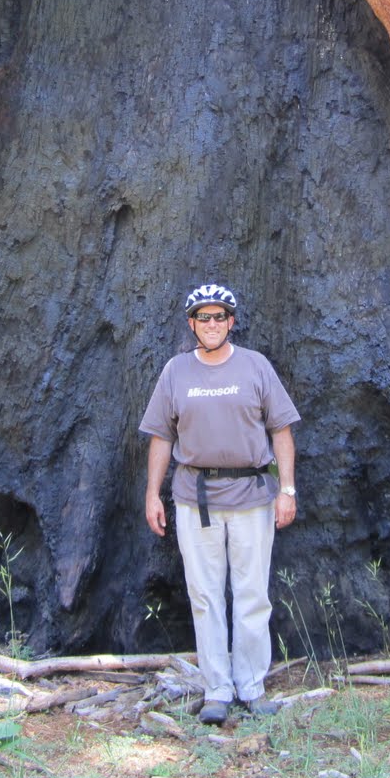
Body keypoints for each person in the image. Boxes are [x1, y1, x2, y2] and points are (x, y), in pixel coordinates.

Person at [140, 283, 299, 723]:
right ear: (192, 324)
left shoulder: (256, 367)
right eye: (203, 318)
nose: (212, 325)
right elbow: (161, 436)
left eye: (219, 317)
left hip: (251, 498)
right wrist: (153, 493)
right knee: (206, 596)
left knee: (251, 595)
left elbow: (281, 430)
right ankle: (216, 691)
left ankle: (250, 686)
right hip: (195, 499)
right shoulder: (176, 372)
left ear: (231, 322)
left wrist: (287, 490)